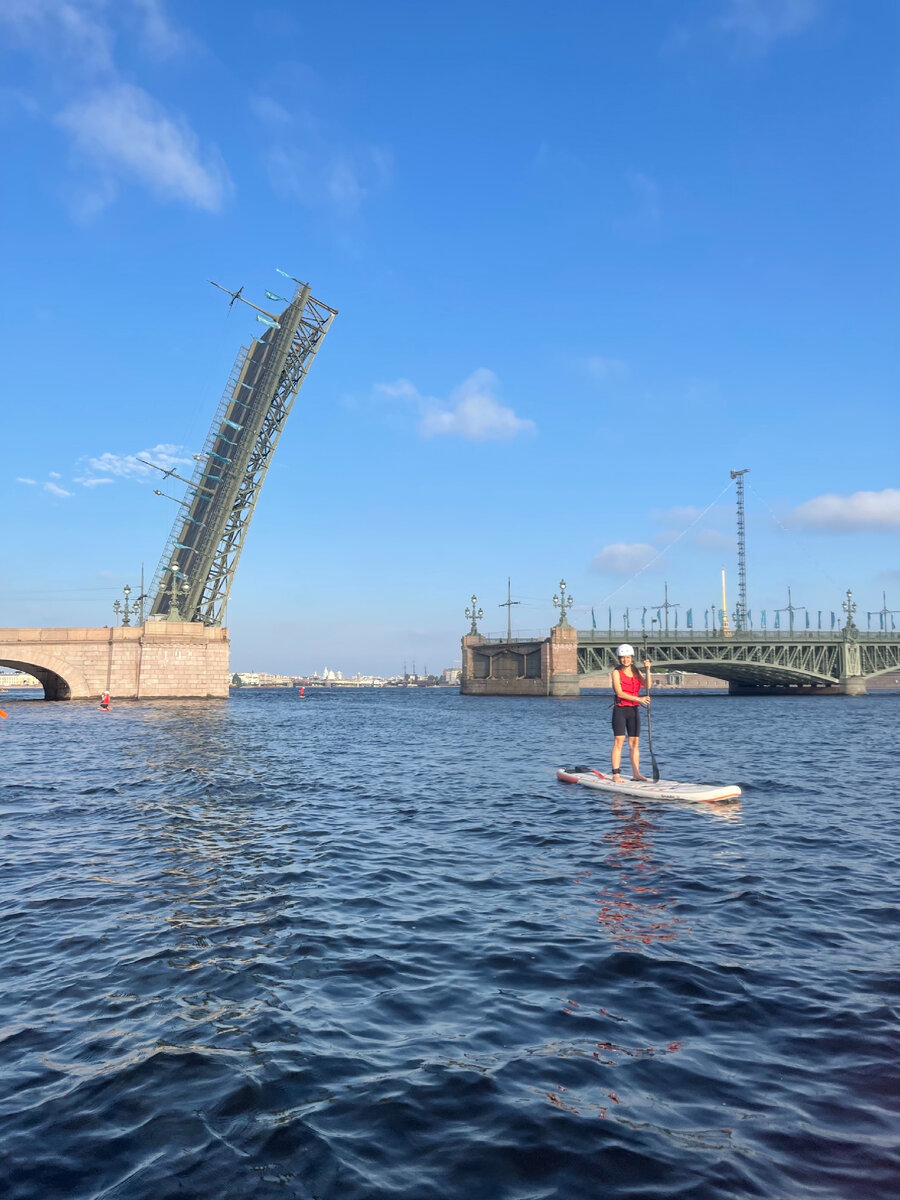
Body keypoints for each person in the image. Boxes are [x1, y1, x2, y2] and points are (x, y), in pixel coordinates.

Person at [610, 643, 651, 782]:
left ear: (631, 658)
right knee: (619, 742)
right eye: (622, 657)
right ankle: (616, 774)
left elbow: (648, 685)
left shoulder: (636, 672)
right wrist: (638, 699)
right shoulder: (616, 672)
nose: (625, 660)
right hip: (620, 710)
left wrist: (648, 670)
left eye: (627, 657)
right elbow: (619, 693)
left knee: (634, 743)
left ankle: (636, 774)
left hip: (634, 711)